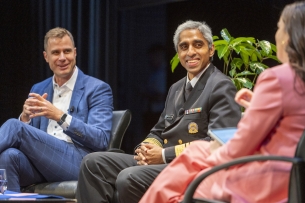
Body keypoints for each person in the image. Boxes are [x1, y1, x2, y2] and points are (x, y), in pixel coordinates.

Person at [139, 2, 305, 203]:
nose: (276, 34)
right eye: (183, 47)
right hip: (293, 170)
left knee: (194, 160)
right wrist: (258, 108)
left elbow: (240, 146)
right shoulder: (175, 88)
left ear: (288, 36)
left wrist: (211, 158)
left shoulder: (276, 78)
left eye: (279, 27)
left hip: (268, 175)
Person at [76, 20, 241, 203]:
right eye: (184, 47)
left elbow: (217, 144)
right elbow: (159, 130)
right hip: (166, 162)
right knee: (93, 163)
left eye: (198, 45)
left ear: (211, 50)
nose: (191, 52)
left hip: (195, 168)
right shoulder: (176, 88)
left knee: (129, 177)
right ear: (178, 53)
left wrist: (163, 155)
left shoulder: (221, 85)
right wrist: (144, 149)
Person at [0, 27, 113, 192]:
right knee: (8, 156)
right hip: (43, 162)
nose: (62, 58)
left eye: (67, 51)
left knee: (14, 126)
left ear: (75, 53)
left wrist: (60, 116)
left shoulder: (97, 89)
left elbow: (101, 139)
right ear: (46, 56)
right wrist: (25, 119)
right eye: (55, 52)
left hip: (78, 162)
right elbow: (31, 140)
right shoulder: (39, 88)